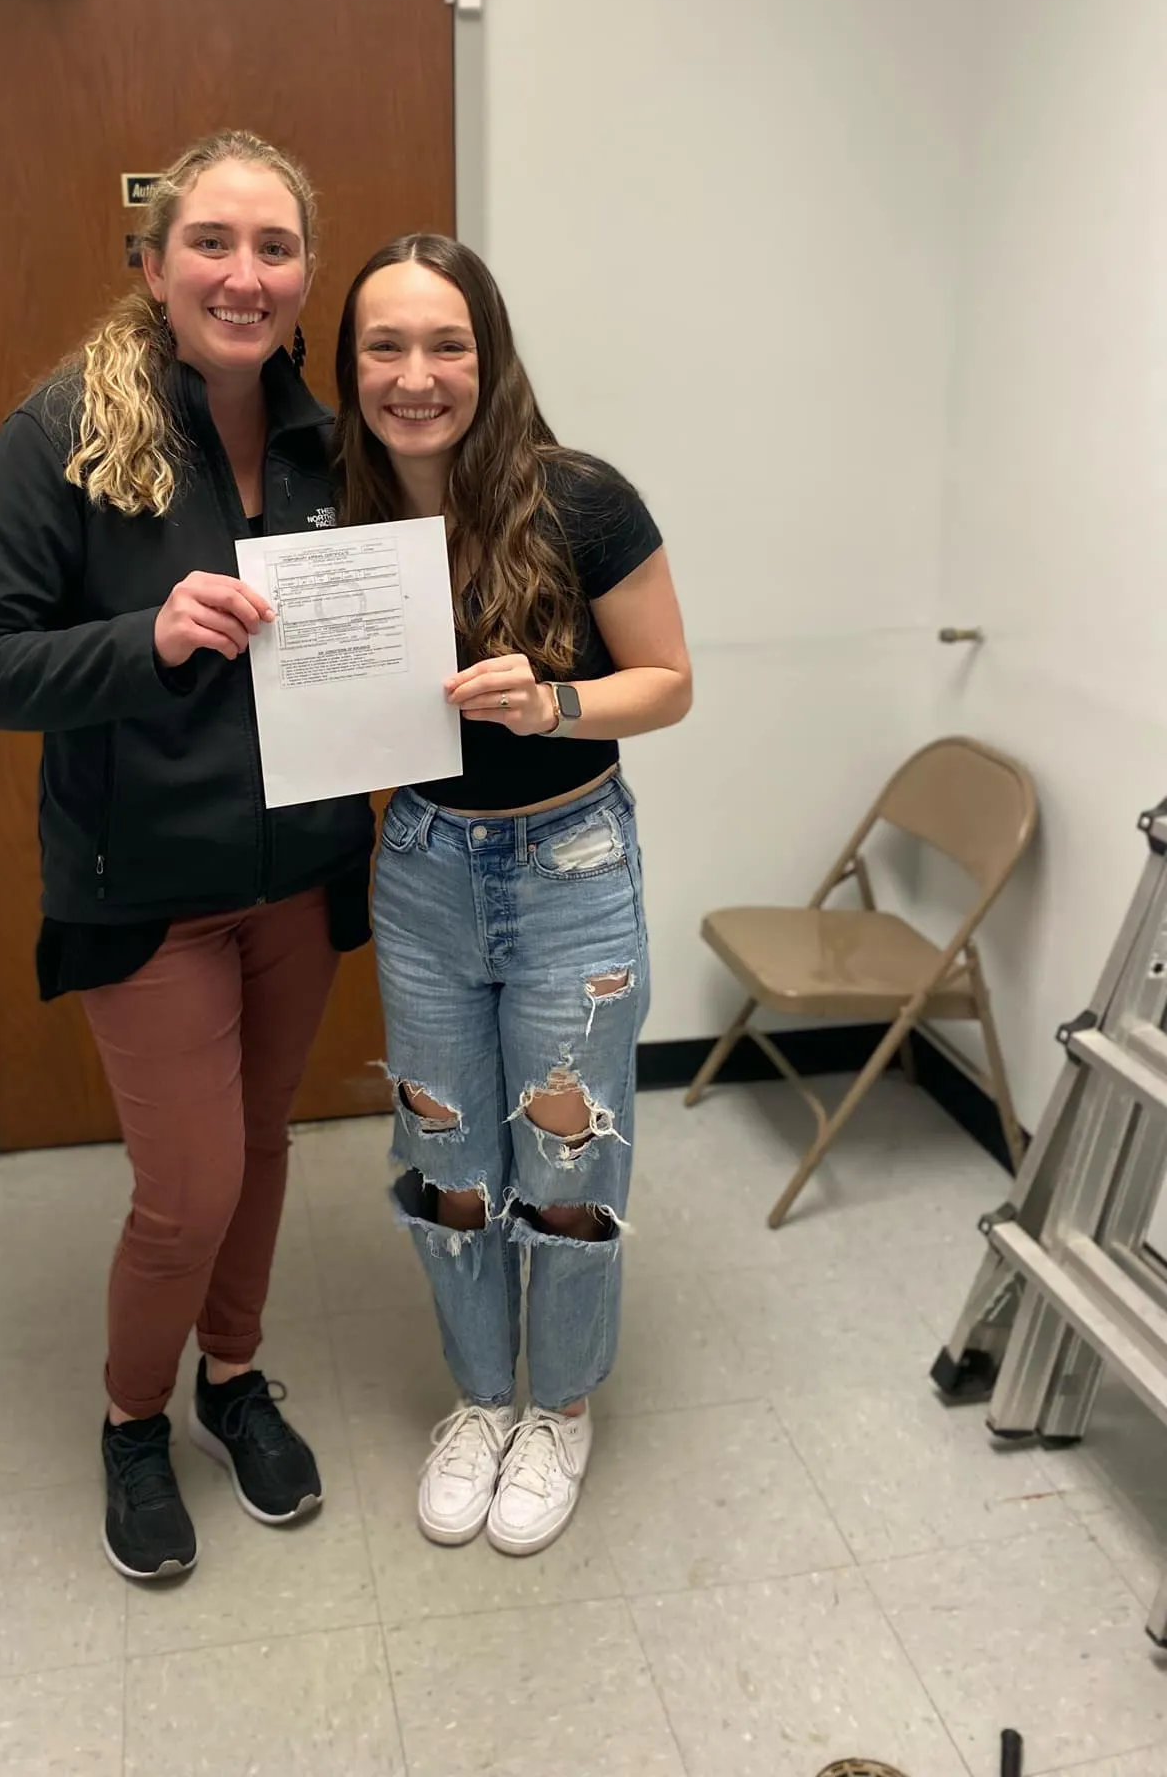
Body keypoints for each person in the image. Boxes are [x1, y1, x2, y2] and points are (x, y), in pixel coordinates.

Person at [0, 130, 374, 1582]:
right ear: (153, 264)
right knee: (184, 1187)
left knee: (257, 1154)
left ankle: (233, 1382)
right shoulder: (66, 429)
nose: (244, 276)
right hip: (149, 896)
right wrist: (147, 639)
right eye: (213, 244)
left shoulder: (334, 437)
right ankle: (132, 1418)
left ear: (307, 277)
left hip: (303, 879)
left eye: (275, 249)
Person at [333, 234, 693, 1555]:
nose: (417, 374)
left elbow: (669, 680)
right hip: (424, 865)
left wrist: (552, 703)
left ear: (489, 354)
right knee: (446, 1159)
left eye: (446, 344)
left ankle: (565, 1409)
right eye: (386, 345)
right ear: (352, 365)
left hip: (572, 866)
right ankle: (483, 1400)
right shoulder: (333, 512)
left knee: (569, 1154)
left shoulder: (582, 499)